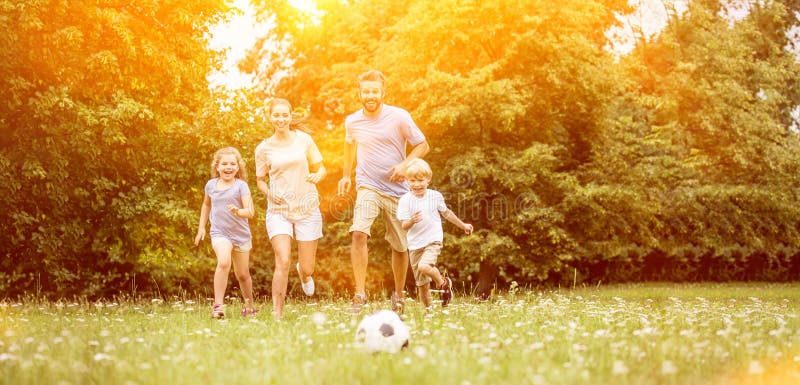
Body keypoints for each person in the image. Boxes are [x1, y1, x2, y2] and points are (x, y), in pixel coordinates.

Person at [337, 69, 430, 313]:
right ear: (359, 92)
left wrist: (405, 165)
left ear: (382, 92)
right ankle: (359, 294)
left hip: (398, 191)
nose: (370, 95)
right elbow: (349, 146)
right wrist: (346, 175)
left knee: (400, 246)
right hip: (368, 185)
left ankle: (398, 295)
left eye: (374, 91)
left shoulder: (399, 117)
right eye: (366, 91)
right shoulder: (353, 121)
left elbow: (423, 144)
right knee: (358, 232)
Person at [255, 98, 326, 319]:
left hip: (307, 207)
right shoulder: (263, 148)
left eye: (284, 115)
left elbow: (322, 168)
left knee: (307, 268)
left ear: (290, 116)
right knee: (283, 260)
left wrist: (318, 175)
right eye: (276, 115)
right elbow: (260, 180)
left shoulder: (304, 140)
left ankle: (304, 275)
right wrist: (269, 193)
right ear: (270, 117)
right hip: (279, 210)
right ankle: (277, 314)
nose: (281, 119)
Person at [397, 158, 473, 308]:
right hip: (414, 245)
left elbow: (447, 213)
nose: (417, 184)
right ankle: (428, 313)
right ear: (407, 181)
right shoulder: (405, 200)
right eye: (412, 180)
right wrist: (412, 220)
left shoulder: (435, 196)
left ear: (428, 179)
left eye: (420, 180)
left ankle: (443, 283)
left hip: (433, 239)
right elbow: (404, 225)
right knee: (422, 284)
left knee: (424, 266)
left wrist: (463, 225)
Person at [194, 147, 257, 318]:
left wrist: (238, 211)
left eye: (232, 164)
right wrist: (201, 227)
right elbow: (206, 205)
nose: (228, 167)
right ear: (217, 166)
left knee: (243, 275)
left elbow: (250, 211)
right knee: (223, 262)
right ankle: (218, 307)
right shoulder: (211, 185)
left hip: (241, 235)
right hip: (220, 233)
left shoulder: (241, 186)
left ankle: (249, 306)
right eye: (224, 164)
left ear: (238, 167)